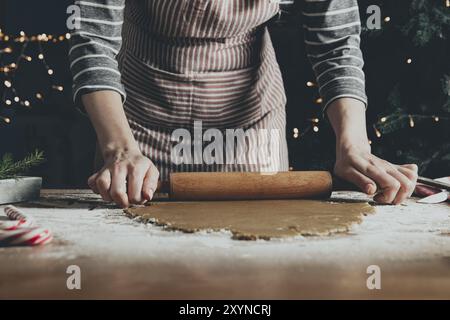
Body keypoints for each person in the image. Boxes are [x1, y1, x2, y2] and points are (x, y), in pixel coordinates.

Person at [69, 0, 417, 208]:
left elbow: (336, 42)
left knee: (253, 261)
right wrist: (119, 148)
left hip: (250, 117)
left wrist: (354, 144)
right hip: (139, 116)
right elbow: (93, 38)